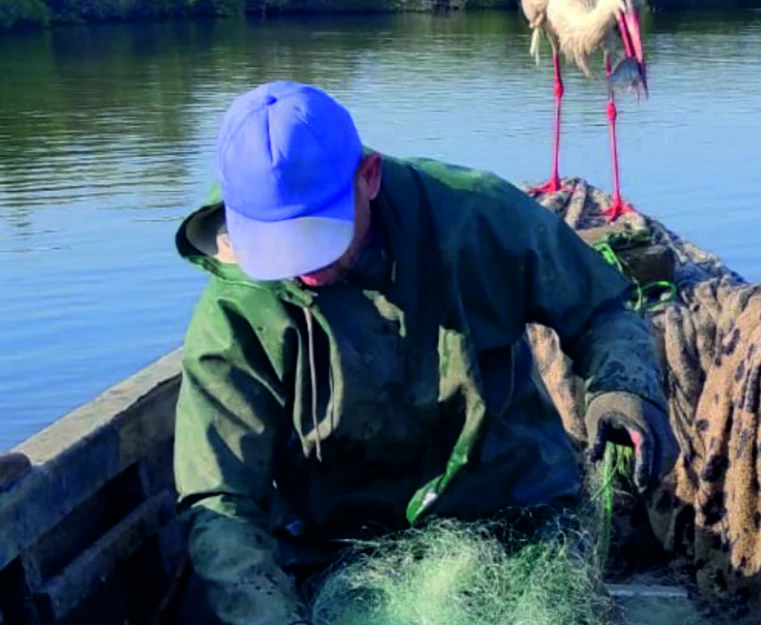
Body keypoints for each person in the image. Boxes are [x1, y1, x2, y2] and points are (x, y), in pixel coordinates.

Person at [171, 80, 679, 625]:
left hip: (514, 508)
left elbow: (601, 312)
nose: (305, 269)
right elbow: (221, 500)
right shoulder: (234, 308)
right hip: (344, 543)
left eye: (319, 236)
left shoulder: (476, 215)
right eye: (278, 248)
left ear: (369, 177)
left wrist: (623, 389)